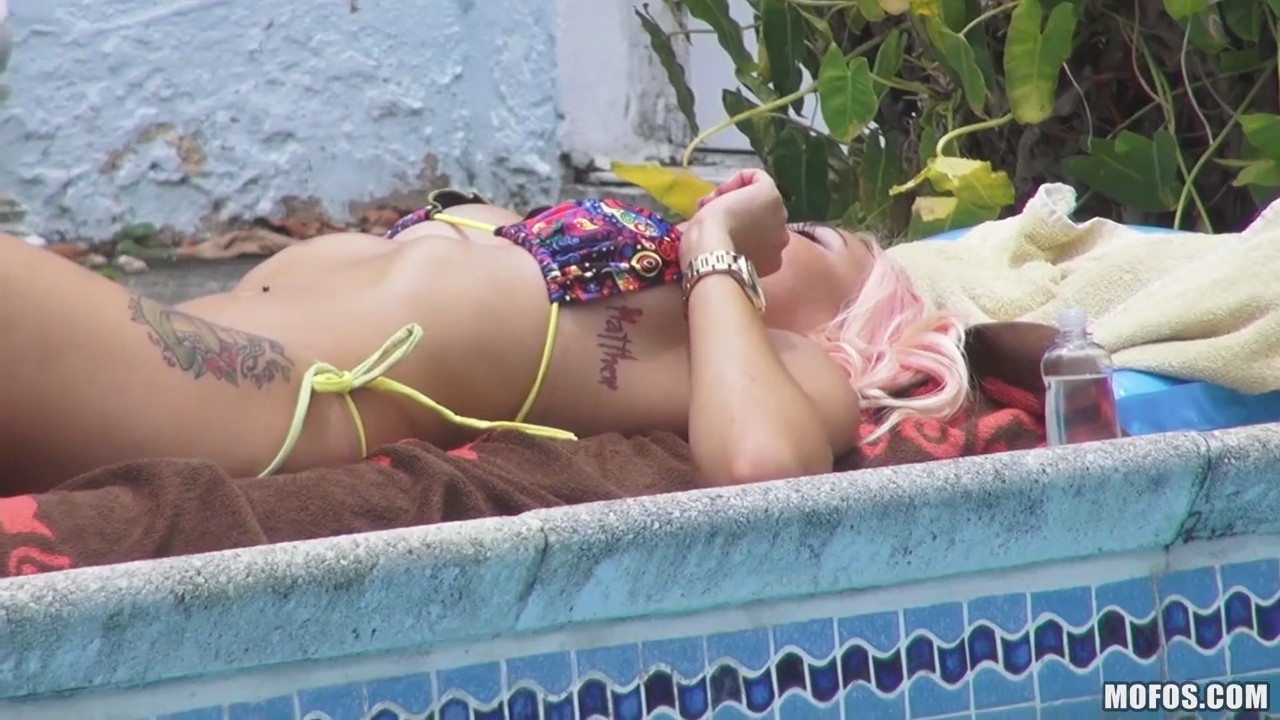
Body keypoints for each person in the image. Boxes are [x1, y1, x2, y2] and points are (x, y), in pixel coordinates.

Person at [0, 170, 966, 495]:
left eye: (812, 237)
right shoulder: (649, 289)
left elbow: (763, 468)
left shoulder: (785, 362)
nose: (780, 222)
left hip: (250, 398)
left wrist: (721, 246)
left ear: (848, 323)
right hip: (182, 346)